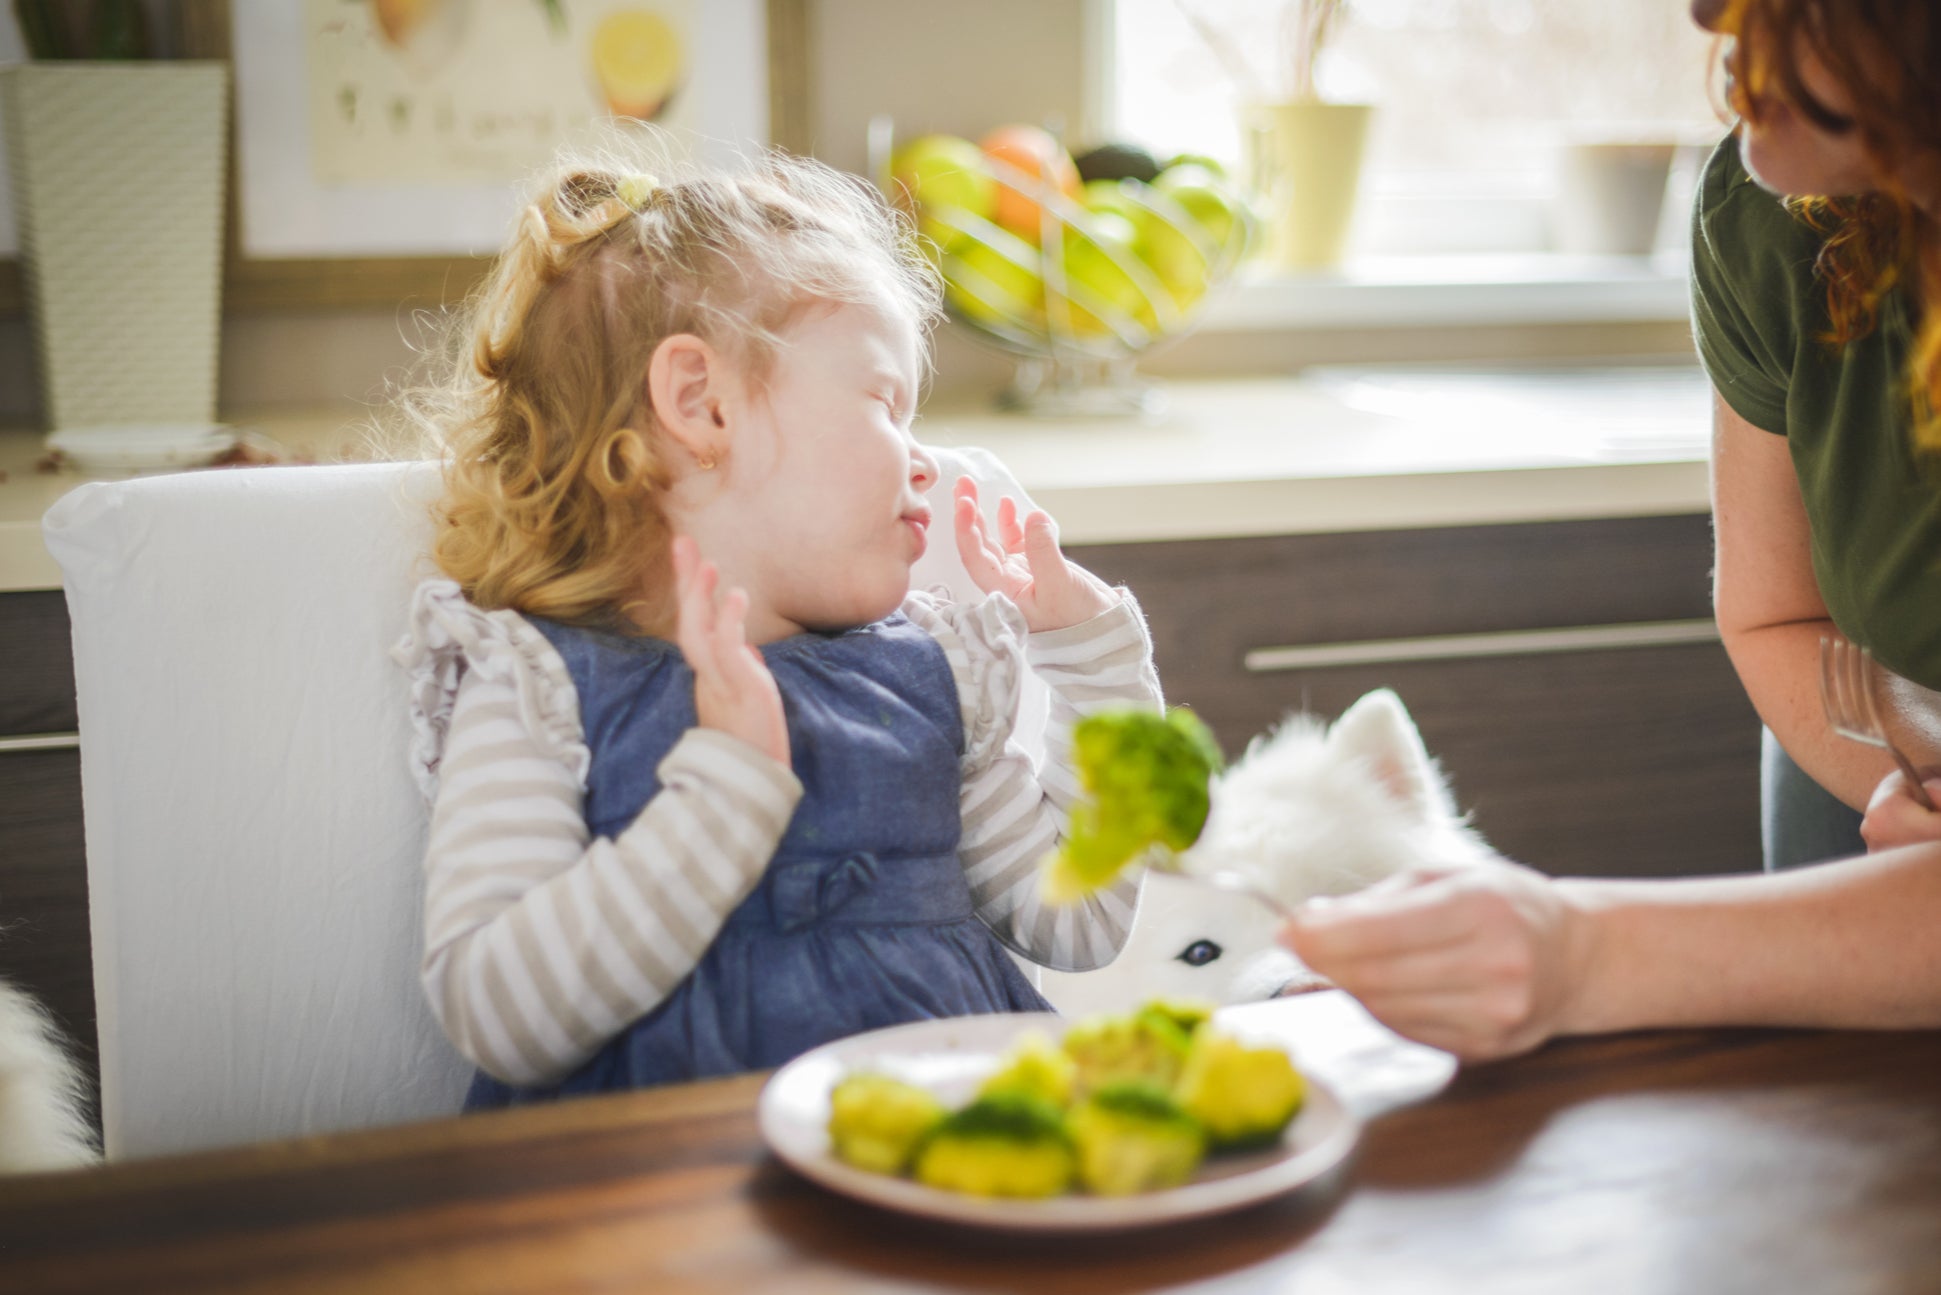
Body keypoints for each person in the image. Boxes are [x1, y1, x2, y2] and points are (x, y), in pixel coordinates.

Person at [390, 138, 1162, 1107]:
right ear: (702, 405)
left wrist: (1093, 660)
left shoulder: (935, 678)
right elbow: (497, 1015)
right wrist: (724, 789)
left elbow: (1082, 918)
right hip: (661, 1212)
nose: (923, 463)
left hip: (940, 1179)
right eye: (887, 401)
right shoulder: (538, 681)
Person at [1279, 0, 1941, 1058]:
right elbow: (1777, 613)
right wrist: (1911, 773)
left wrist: (1576, 953)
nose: (1700, 13)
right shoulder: (1778, 208)